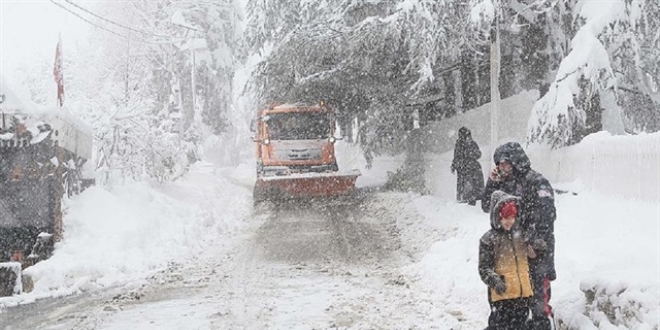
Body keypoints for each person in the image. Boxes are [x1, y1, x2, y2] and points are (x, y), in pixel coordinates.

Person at [481, 142, 557, 330]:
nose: (500, 168)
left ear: (515, 162)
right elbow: (486, 207)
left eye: (504, 163)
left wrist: (534, 244)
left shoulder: (537, 182)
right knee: (510, 305)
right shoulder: (503, 183)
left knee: (538, 303)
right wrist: (492, 183)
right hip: (509, 255)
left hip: (535, 255)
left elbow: (547, 218)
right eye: (498, 164)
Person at [479, 190, 533, 330]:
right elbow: (484, 268)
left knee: (521, 326)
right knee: (500, 326)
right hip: (502, 296)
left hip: (522, 295)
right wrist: (495, 281)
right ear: (497, 217)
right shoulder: (489, 239)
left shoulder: (520, 235)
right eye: (505, 217)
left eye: (512, 217)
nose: (509, 221)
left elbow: (531, 257)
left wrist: (536, 246)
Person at [450, 127, 484, 206]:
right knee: (466, 187)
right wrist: (454, 165)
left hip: (472, 168)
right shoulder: (459, 144)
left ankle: (472, 201)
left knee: (473, 186)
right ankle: (465, 201)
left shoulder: (472, 143)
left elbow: (478, 154)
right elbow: (456, 156)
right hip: (464, 169)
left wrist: (470, 154)